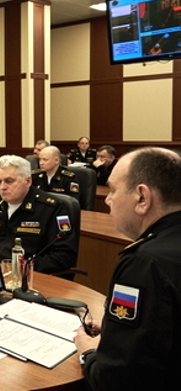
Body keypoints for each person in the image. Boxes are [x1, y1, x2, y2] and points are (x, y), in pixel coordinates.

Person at [74, 147, 181, 390]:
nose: (108, 200)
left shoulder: (145, 263)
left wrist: (88, 352)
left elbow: (117, 379)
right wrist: (116, 330)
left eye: (113, 190)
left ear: (142, 198)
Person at [0, 155, 77, 274]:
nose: (2, 187)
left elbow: (64, 256)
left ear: (28, 181)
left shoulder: (52, 208)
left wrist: (23, 267)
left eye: (9, 181)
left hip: (28, 275)